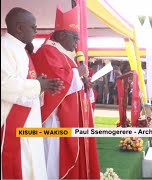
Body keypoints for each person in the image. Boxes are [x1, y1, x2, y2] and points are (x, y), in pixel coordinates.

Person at [32, 5, 100, 179]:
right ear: (62, 35)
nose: (77, 44)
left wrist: (86, 85)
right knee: (55, 161)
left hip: (72, 116)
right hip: (56, 119)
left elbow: (73, 82)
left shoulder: (66, 54)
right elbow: (59, 84)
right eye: (74, 38)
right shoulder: (48, 52)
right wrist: (78, 73)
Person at [1, 7, 63, 179]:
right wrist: (37, 85)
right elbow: (4, 85)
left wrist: (43, 86)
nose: (37, 30)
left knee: (33, 163)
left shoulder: (22, 49)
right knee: (21, 166)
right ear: (19, 27)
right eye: (33, 27)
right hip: (14, 120)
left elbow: (26, 81)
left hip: (30, 119)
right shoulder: (4, 47)